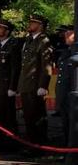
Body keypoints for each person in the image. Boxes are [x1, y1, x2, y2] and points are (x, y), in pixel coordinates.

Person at [17, 14, 53, 144]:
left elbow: (46, 65)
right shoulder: (29, 40)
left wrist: (43, 85)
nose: (30, 24)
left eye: (33, 22)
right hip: (26, 84)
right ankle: (31, 144)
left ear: (40, 26)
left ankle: (40, 145)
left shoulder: (43, 41)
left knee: (37, 117)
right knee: (28, 117)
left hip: (36, 85)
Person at [0, 20, 21, 151]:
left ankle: (10, 143)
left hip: (6, 88)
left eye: (0, 28)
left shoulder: (12, 45)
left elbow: (15, 68)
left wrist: (12, 87)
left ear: (7, 31)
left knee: (7, 118)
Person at [56, 25, 74, 145]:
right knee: (66, 125)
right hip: (63, 96)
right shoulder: (66, 52)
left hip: (71, 96)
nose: (66, 35)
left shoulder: (74, 53)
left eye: (69, 33)